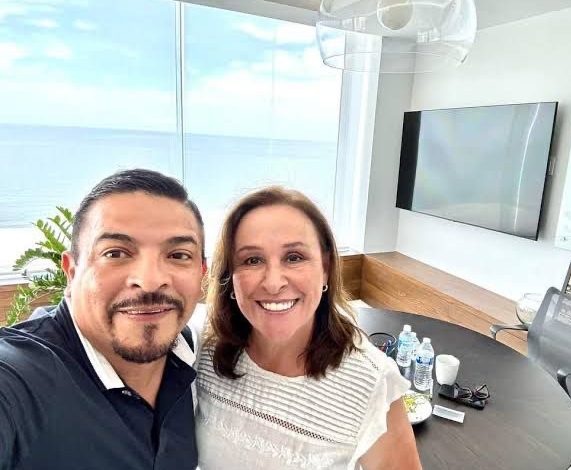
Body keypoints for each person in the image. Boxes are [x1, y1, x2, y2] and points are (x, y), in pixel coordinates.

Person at [196, 186, 421, 470]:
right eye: (252, 260)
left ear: (325, 268)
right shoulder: (204, 350)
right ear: (230, 276)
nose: (273, 283)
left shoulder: (371, 383)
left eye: (294, 257)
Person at [0, 169, 206, 469]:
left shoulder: (195, 357)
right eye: (116, 253)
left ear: (201, 274)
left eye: (178, 255)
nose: (150, 281)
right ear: (71, 272)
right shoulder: (21, 379)